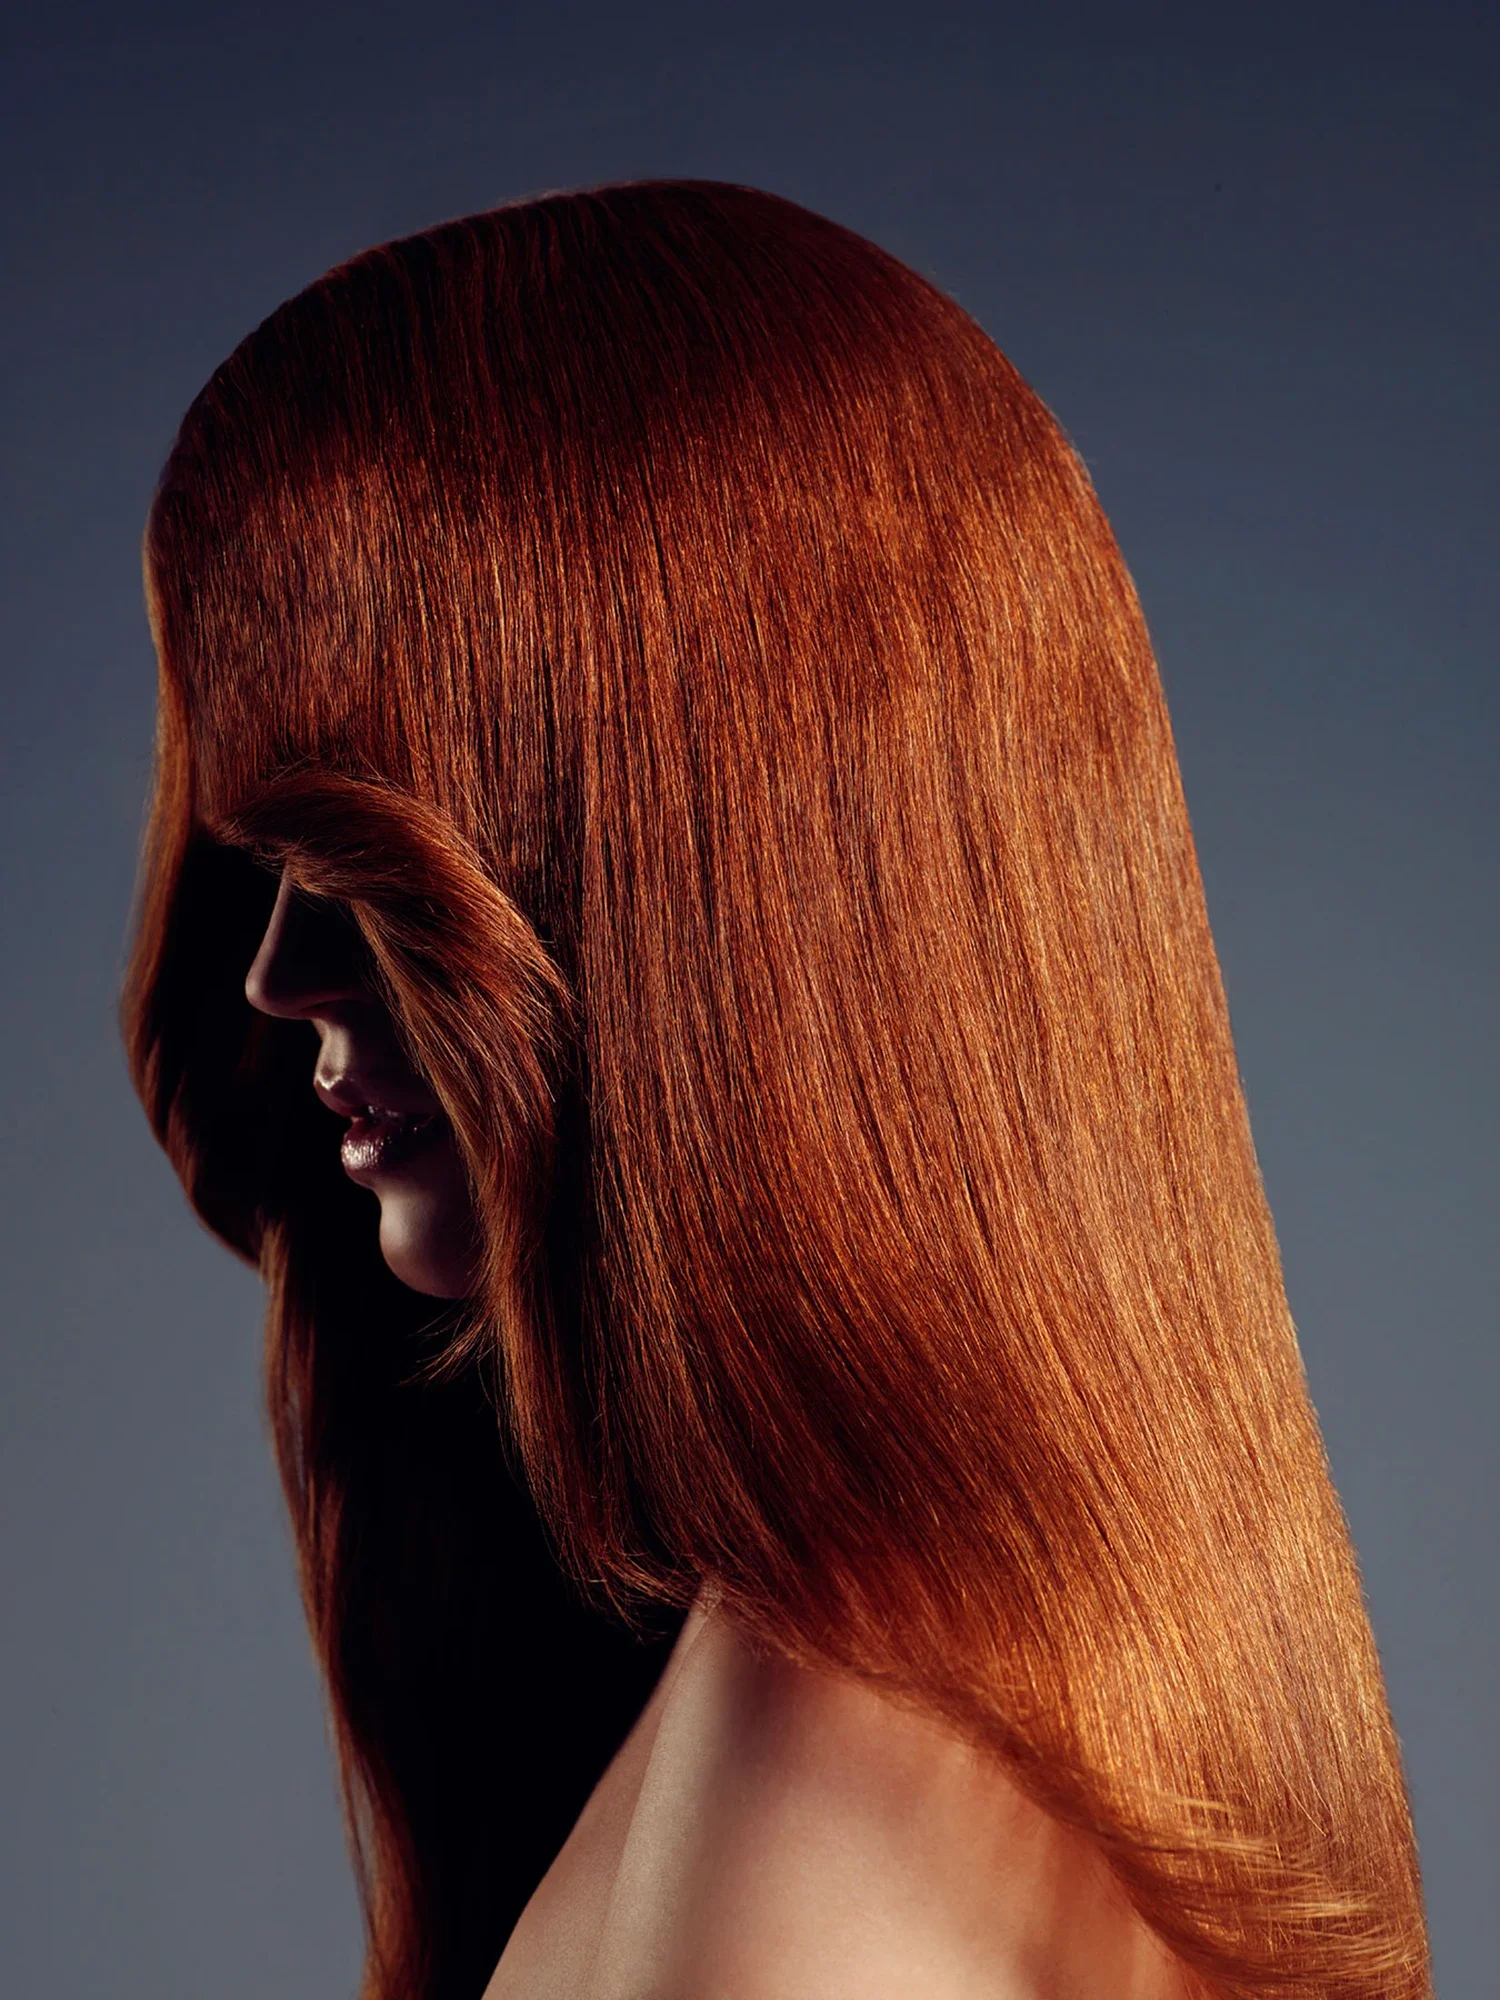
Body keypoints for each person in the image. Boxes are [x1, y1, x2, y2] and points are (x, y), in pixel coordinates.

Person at [123, 181, 1430, 2000]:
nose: (274, 978)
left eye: (354, 859)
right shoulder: (928, 1685)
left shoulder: (816, 1776)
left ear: (708, 882)